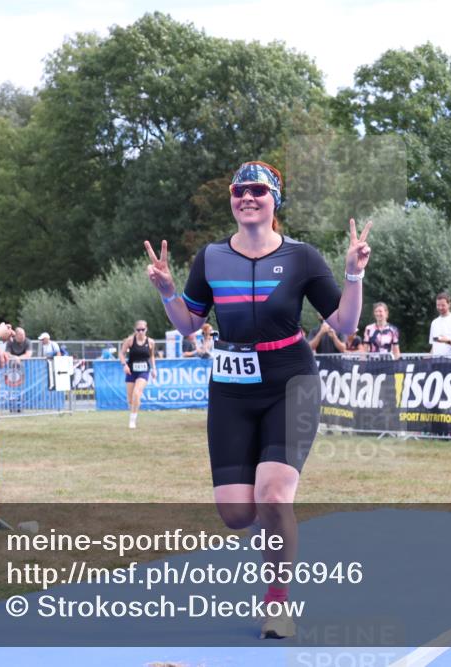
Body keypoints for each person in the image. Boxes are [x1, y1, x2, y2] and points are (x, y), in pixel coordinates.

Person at [144, 160, 370, 640]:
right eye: (238, 190)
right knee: (237, 514)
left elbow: (346, 326)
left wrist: (353, 274)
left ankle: (277, 602)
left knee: (272, 495)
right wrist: (167, 293)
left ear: (274, 201)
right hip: (230, 389)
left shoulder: (303, 257)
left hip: (291, 380)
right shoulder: (210, 258)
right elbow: (189, 325)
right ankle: (272, 523)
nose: (247, 197)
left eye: (258, 191)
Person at [119, 319, 157, 429]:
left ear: (146, 329)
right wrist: (124, 365)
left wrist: (154, 369)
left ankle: (132, 420)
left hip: (144, 371)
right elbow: (121, 353)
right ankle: (135, 408)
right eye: (138, 330)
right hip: (131, 371)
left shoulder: (150, 342)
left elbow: (152, 356)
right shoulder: (130, 340)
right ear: (135, 330)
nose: (140, 332)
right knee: (131, 399)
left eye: (142, 330)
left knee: (137, 393)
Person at [430, 292, 451, 357]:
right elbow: (433, 346)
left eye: (443, 305)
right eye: (438, 305)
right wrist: (427, 359)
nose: (440, 308)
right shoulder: (434, 322)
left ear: (449, 304)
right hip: (436, 361)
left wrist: (448, 341)